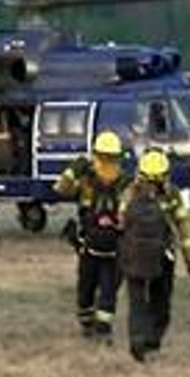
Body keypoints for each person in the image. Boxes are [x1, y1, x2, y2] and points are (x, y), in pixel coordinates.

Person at [118, 149, 190, 362]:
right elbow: (185, 228)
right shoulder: (173, 194)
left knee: (136, 302)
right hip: (163, 257)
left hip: (133, 255)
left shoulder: (129, 193)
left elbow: (120, 224)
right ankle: (152, 339)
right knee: (160, 300)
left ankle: (137, 339)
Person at [53, 130, 132, 343]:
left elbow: (128, 212)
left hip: (115, 246)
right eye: (105, 158)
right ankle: (88, 324)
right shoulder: (85, 180)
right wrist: (71, 172)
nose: (107, 164)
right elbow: (61, 189)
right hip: (88, 245)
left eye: (110, 159)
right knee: (86, 291)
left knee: (108, 290)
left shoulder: (125, 184)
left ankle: (103, 329)